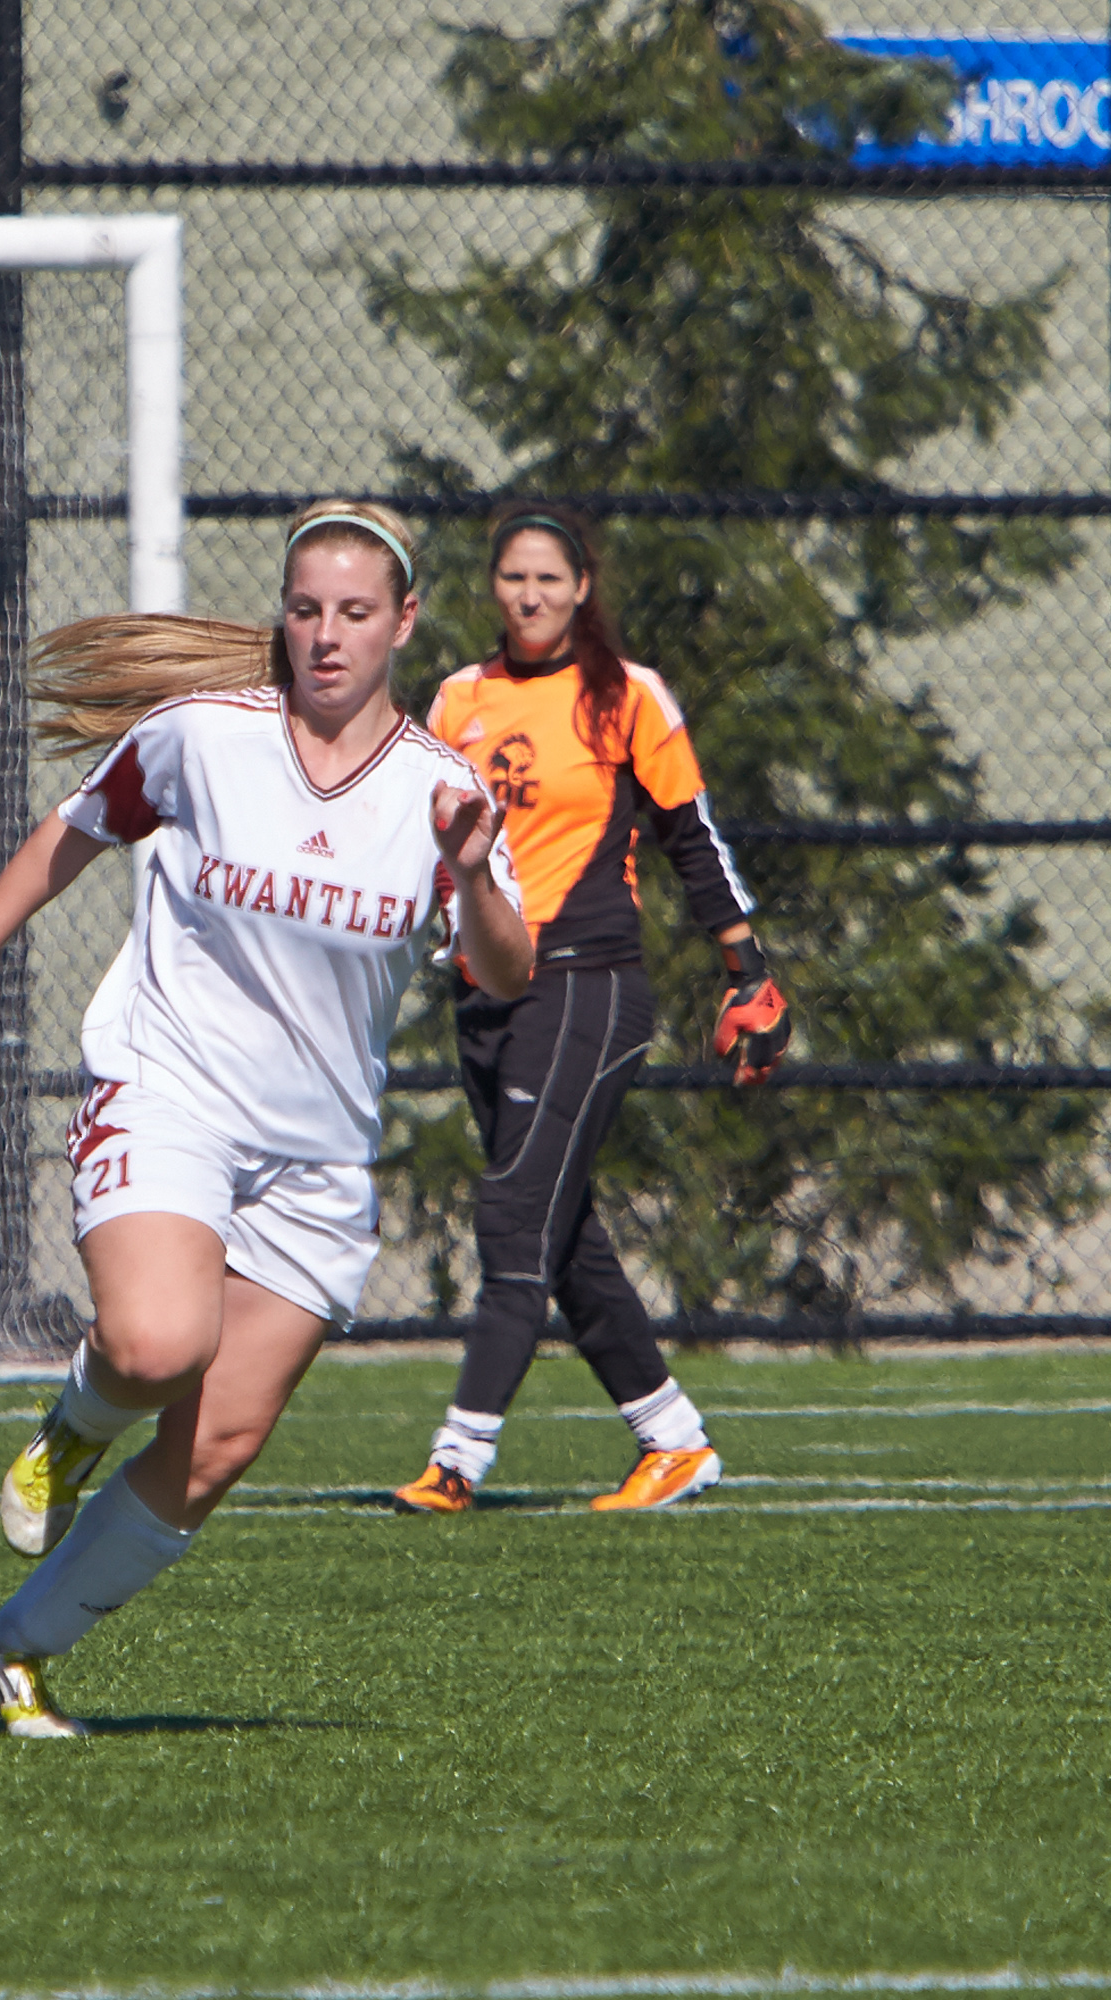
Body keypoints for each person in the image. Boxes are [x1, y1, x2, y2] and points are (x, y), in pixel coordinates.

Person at [0, 500, 531, 1736]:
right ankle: (70, 1426)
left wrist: (467, 869)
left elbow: (509, 971)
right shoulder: (200, 735)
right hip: (170, 1085)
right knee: (153, 1345)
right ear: (281, 620)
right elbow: (77, 829)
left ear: (404, 623)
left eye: (357, 612)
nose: (327, 635)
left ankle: (10, 1652)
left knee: (217, 1444)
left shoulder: (444, 789)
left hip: (316, 1155)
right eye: (306, 609)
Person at [391, 504, 789, 1517]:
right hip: (485, 989)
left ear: (583, 589)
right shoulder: (457, 699)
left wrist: (749, 971)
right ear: (493, 588)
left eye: (550, 580)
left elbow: (693, 838)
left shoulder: (626, 695)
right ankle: (673, 1440)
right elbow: (409, 844)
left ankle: (458, 1458)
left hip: (589, 981)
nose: (530, 596)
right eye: (513, 578)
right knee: (561, 1235)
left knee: (516, 1210)